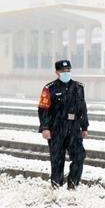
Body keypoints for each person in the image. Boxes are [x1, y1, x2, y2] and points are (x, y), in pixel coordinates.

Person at [37, 59, 89, 189]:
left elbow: (83, 108)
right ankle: (57, 187)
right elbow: (43, 109)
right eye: (62, 70)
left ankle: (73, 186)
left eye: (68, 70)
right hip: (57, 128)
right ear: (57, 72)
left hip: (74, 127)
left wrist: (84, 127)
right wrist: (45, 128)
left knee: (79, 157)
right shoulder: (50, 88)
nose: (66, 72)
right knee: (57, 160)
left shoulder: (78, 87)